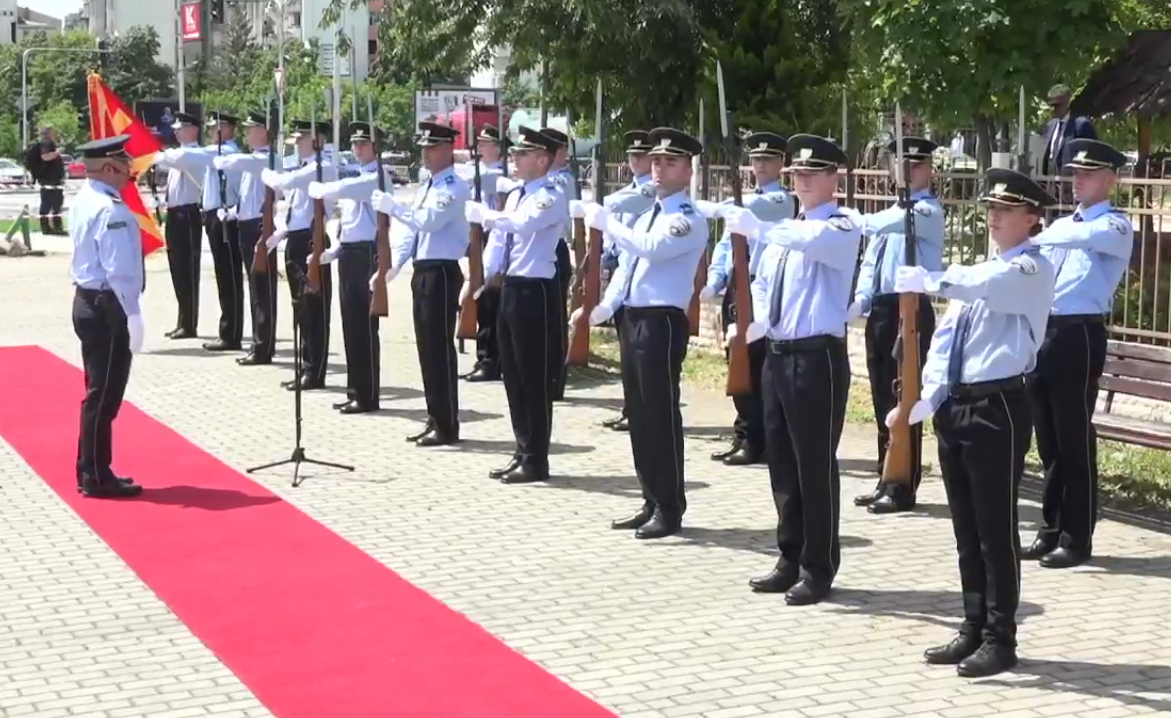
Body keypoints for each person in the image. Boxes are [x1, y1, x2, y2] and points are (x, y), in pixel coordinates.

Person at [895, 168, 1056, 677]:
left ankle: (1000, 636)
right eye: (991, 208)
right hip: (959, 407)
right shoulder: (982, 271)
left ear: (1032, 218)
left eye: (1006, 210)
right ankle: (972, 625)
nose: (994, 216)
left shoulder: (1030, 269)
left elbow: (985, 286)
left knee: (995, 529)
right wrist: (929, 396)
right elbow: (945, 341)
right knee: (966, 528)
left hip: (998, 408)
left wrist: (931, 278)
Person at [725, 134, 861, 604]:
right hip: (779, 354)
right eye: (796, 175)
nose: (801, 181)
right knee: (781, 461)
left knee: (814, 464)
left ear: (833, 178)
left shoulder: (842, 225)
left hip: (817, 356)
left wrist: (757, 227)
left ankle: (819, 565)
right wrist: (752, 326)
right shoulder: (786, 229)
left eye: (810, 174)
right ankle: (790, 554)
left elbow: (810, 241)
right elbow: (764, 282)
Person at [577, 127, 709, 539]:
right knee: (639, 414)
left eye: (670, 162)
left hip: (662, 323)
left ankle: (670, 507)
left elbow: (649, 249)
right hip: (634, 319)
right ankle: (650, 497)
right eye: (656, 161)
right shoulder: (648, 213)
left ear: (688, 171)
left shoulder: (687, 219)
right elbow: (631, 268)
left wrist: (609, 224)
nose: (659, 168)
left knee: (660, 415)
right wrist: (606, 306)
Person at [1025, 139, 1133, 569]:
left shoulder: (1114, 225)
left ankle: (1078, 534)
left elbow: (1074, 235)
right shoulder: (1060, 227)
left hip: (1078, 336)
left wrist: (1040, 229)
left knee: (1073, 437)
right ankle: (1050, 527)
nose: (1077, 181)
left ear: (1110, 179)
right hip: (1046, 332)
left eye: (1087, 174)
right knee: (1048, 439)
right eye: (1074, 173)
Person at [465, 126, 567, 483]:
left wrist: (485, 215)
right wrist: (480, 280)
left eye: (523, 154)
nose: (515, 159)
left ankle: (537, 457)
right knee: (512, 375)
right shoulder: (515, 195)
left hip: (534, 291)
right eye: (515, 154)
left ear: (542, 160)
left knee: (533, 376)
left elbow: (525, 225)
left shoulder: (551, 194)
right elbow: (499, 241)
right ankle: (522, 448)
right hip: (509, 288)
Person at [850, 137, 944, 514]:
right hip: (884, 310)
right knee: (881, 395)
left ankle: (904, 483)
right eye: (900, 165)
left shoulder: (925, 213)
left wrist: (847, 219)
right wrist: (861, 297)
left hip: (912, 308)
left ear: (928, 170)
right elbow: (871, 262)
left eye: (915, 165)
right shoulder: (895, 212)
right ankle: (885, 474)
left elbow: (871, 225)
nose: (906, 172)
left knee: (906, 396)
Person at [697, 131, 795, 466]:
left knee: (756, 364)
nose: (761, 166)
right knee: (736, 361)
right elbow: (726, 244)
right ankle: (744, 433)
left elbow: (743, 211)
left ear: (783, 163)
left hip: (761, 288)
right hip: (738, 287)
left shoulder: (780, 200)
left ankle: (759, 438)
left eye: (768, 159)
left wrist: (712, 206)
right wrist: (714, 279)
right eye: (756, 159)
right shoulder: (745, 203)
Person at [371, 121, 469, 445]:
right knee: (427, 350)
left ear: (447, 150)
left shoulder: (453, 187)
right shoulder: (429, 185)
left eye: (431, 148)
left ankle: (446, 424)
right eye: (424, 148)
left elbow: (429, 221)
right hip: (423, 271)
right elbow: (412, 232)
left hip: (442, 272)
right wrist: (393, 265)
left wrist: (393, 207)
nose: (425, 154)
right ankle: (434, 416)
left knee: (440, 350)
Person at [68, 135, 145, 499]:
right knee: (104, 396)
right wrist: (133, 314)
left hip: (87, 302)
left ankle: (91, 468)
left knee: (97, 391)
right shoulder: (111, 209)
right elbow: (120, 270)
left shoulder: (85, 199)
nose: (130, 169)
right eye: (125, 163)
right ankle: (96, 475)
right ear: (111, 167)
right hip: (107, 307)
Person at [308, 122, 389, 414]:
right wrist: (336, 249)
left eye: (364, 144)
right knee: (351, 326)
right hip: (351, 254)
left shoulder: (376, 177)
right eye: (355, 144)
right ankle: (355, 390)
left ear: (376, 147)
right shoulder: (359, 175)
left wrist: (323, 189)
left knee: (365, 328)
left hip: (367, 255)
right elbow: (351, 224)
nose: (357, 148)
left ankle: (367, 395)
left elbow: (347, 190)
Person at [261, 119, 337, 391]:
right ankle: (306, 365)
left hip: (312, 242)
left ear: (317, 141)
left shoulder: (321, 168)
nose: (297, 143)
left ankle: (315, 371)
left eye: (302, 138)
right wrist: (282, 232)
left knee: (314, 309)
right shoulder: (307, 168)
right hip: (297, 240)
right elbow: (296, 206)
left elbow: (287, 182)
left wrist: (269, 175)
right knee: (301, 309)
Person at [590, 130, 656, 432]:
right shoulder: (630, 189)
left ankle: (640, 409)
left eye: (640, 155)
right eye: (631, 155)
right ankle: (631, 407)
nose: (634, 160)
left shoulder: (647, 191)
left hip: (640, 267)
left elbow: (614, 205)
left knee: (637, 349)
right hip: (620, 263)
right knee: (624, 345)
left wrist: (598, 205)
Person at [213, 110, 278, 366]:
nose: (247, 134)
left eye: (252, 129)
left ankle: (263, 346)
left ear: (264, 131)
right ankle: (257, 343)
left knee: (262, 289)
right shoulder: (255, 160)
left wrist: (221, 160)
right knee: (254, 288)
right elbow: (248, 197)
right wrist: (232, 212)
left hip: (260, 229)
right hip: (246, 225)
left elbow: (236, 162)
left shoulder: (266, 159)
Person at [458, 124, 508, 383]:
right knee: (478, 298)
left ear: (498, 148)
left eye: (485, 144)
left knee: (490, 301)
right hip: (479, 238)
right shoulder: (478, 173)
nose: (479, 148)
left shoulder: (501, 176)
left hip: (496, 239)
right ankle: (484, 356)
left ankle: (490, 360)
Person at [150, 112, 205, 339]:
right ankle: (183, 320)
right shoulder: (179, 156)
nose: (175, 131)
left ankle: (189, 323)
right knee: (177, 269)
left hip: (189, 215)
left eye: (180, 128)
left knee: (188, 271)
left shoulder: (192, 154)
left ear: (193, 130)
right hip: (175, 213)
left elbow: (161, 157)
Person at [203, 112, 245, 352]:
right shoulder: (216, 152)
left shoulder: (227, 152)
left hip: (226, 217)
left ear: (230, 129)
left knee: (229, 277)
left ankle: (231, 333)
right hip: (214, 216)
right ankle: (228, 330)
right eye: (212, 128)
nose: (213, 131)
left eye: (218, 127)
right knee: (223, 276)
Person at [539, 127, 576, 401]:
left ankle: (555, 378)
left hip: (555, 248)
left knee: (554, 319)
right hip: (539, 251)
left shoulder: (560, 181)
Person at [1041, 84, 1097, 176]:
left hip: (1071, 185)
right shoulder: (1050, 126)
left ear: (1068, 103)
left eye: (1056, 105)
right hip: (1050, 185)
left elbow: (1091, 158)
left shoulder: (1081, 126)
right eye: (1050, 105)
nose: (1052, 109)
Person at [34, 125, 67, 235]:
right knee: (52, 204)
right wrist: (58, 152)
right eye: (52, 131)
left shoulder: (47, 143)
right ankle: (52, 228)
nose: (54, 134)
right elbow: (45, 157)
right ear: (48, 132)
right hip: (50, 180)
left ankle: (50, 228)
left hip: (51, 180)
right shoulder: (46, 143)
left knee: (53, 204)